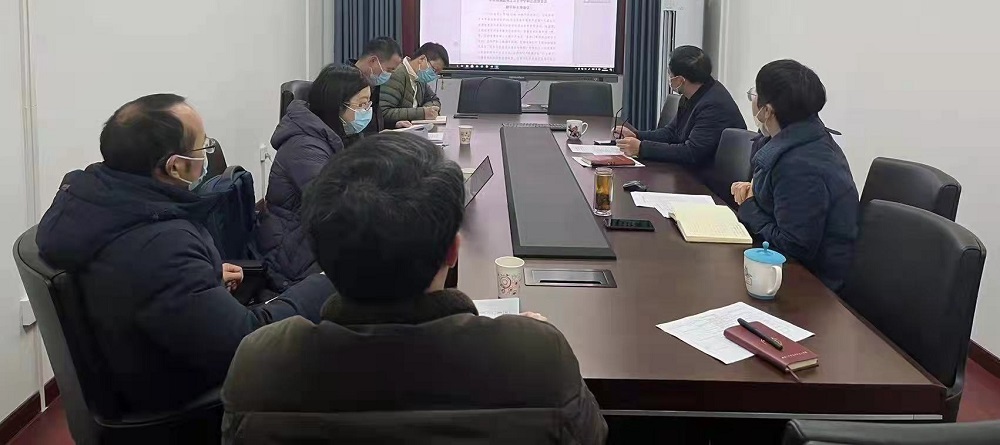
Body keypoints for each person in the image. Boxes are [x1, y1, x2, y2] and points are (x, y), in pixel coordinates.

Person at [222, 134, 607, 444]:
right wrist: (532, 339)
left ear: (321, 253)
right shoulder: (537, 358)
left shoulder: (261, 364)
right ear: (453, 251)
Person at [35, 94, 333, 414]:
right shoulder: (162, 245)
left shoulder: (90, 201)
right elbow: (246, 341)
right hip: (179, 397)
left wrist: (202, 277)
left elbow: (139, 281)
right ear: (175, 166)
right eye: (203, 147)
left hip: (139, 357)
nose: (206, 156)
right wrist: (326, 281)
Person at [731, 60, 859, 292]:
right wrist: (755, 191)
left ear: (766, 110)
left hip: (811, 288)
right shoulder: (801, 137)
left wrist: (749, 206)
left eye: (755, 94)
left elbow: (793, 246)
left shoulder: (802, 165)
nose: (752, 99)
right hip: (783, 268)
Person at [254, 63, 372, 289]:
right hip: (294, 248)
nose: (367, 111)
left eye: (369, 104)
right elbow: (336, 205)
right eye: (361, 104)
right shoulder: (304, 146)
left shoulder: (338, 134)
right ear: (337, 105)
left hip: (315, 234)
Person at [615, 46, 745, 168]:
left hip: (708, 178)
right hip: (691, 170)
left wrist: (642, 148)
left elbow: (692, 153)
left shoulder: (713, 104)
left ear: (680, 80)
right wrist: (637, 135)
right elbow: (671, 132)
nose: (669, 78)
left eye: (670, 74)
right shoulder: (692, 94)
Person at [379, 42, 448, 126]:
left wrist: (429, 110)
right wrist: (422, 113)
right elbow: (384, 112)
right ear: (422, 59)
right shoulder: (397, 74)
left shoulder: (419, 78)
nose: (434, 75)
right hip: (395, 131)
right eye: (434, 70)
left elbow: (434, 100)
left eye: (437, 73)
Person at [348, 36, 403, 134]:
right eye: (389, 70)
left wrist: (393, 124)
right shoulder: (343, 83)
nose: (389, 75)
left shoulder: (373, 81)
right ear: (373, 61)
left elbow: (371, 120)